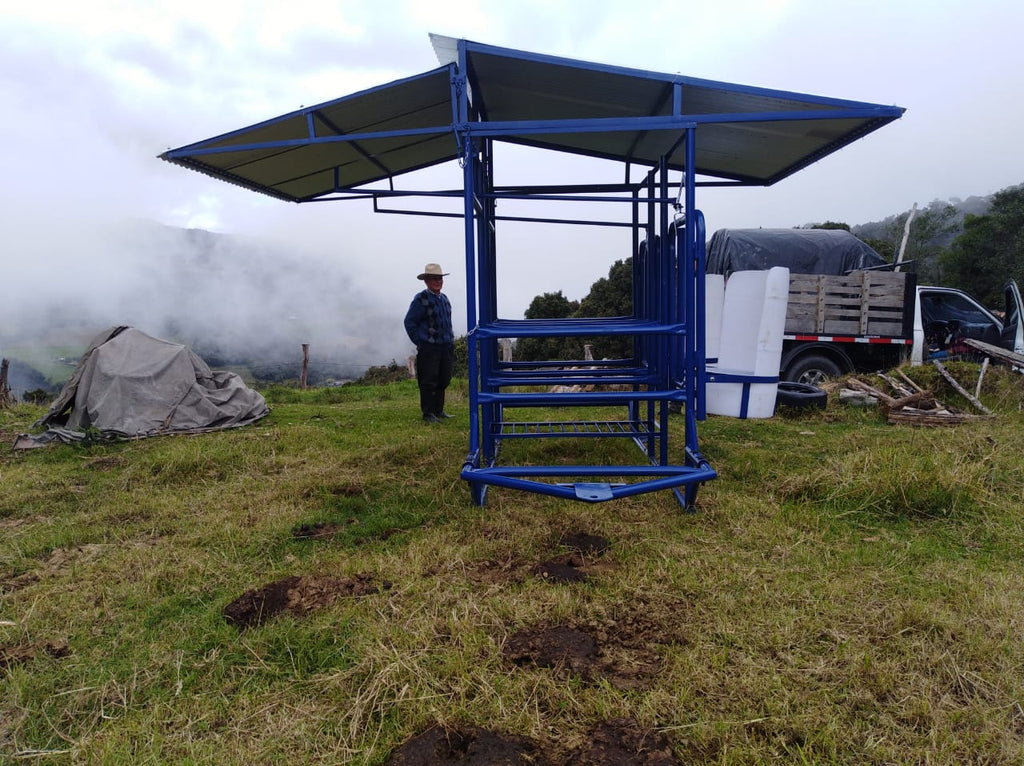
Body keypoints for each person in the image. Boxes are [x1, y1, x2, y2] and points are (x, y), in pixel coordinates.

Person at [404, 263, 455, 423]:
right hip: (429, 348)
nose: (438, 281)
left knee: (444, 379)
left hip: (445, 346)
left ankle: (438, 410)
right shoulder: (421, 299)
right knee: (428, 380)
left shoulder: (445, 299)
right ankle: (428, 413)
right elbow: (409, 322)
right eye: (434, 279)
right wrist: (420, 342)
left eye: (439, 278)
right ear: (426, 281)